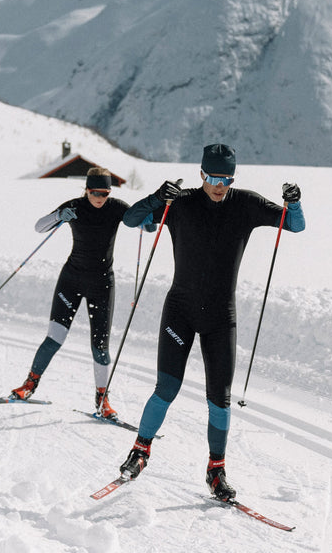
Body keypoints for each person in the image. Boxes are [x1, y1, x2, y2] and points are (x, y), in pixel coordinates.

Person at [117, 143, 305, 501]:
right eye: (215, 177)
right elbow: (130, 219)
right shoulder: (181, 202)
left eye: (228, 178)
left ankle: (216, 471)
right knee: (166, 390)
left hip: (221, 318)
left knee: (220, 400)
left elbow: (294, 225)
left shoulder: (246, 204)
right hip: (180, 311)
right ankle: (140, 452)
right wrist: (158, 197)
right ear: (202, 173)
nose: (221, 185)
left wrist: (293, 202)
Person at [9, 167, 153, 418]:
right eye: (95, 192)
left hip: (102, 285)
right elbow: (39, 227)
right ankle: (29, 385)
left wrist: (148, 223)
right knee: (54, 338)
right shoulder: (74, 206)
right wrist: (59, 216)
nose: (100, 197)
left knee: (100, 348)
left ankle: (102, 400)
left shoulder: (117, 207)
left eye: (105, 193)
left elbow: (140, 222)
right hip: (71, 280)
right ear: (86, 189)